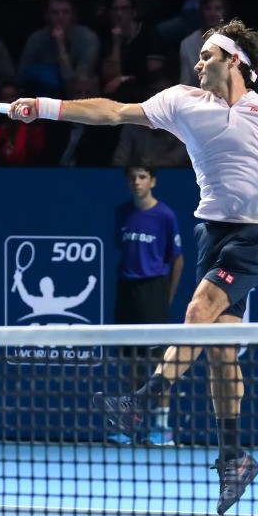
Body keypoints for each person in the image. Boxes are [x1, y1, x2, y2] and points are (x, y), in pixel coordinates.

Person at [7, 17, 258, 516]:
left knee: (198, 309)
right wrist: (45, 107)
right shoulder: (182, 102)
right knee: (221, 353)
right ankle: (234, 455)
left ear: (233, 60)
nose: (197, 63)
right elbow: (114, 112)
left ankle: (143, 399)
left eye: (207, 56)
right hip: (212, 235)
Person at [109, 159, 184, 447]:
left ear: (152, 181)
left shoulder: (165, 216)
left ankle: (162, 428)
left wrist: (166, 296)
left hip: (154, 292)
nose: (137, 182)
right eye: (133, 177)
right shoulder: (123, 212)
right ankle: (129, 425)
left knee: (158, 364)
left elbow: (177, 259)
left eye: (142, 177)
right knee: (132, 364)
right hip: (127, 291)